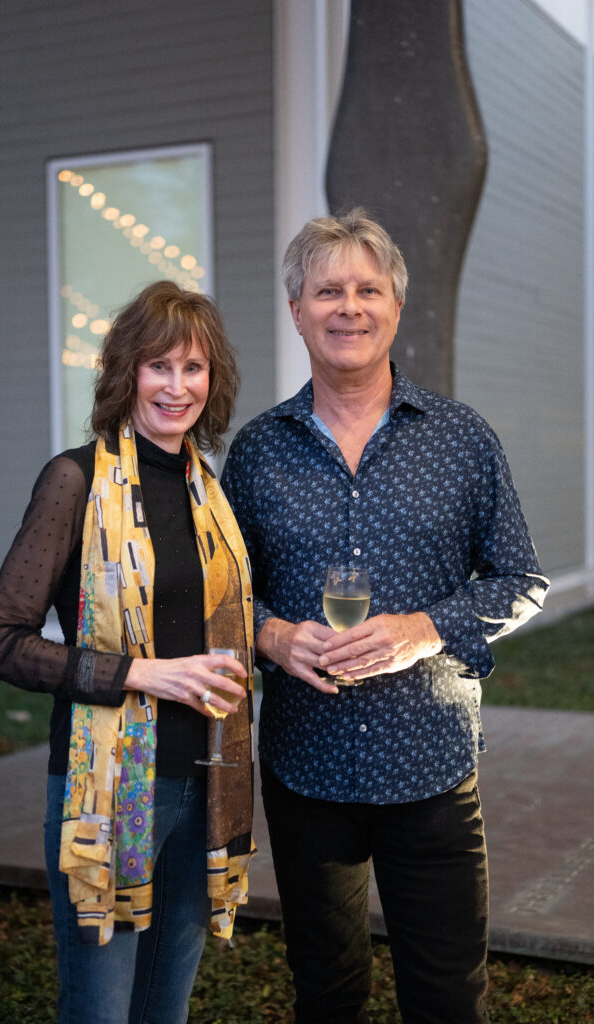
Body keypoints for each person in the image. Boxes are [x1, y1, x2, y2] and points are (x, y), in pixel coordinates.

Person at [222, 208, 549, 1024]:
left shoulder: (461, 439)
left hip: (431, 762)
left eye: (367, 288)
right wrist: (268, 633)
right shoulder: (258, 450)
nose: (349, 306)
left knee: (445, 998)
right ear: (296, 310)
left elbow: (519, 579)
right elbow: (218, 595)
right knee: (326, 994)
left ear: (395, 308)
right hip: (306, 769)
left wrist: (424, 628)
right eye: (327, 289)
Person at [0, 280, 255, 1024]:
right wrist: (140, 673)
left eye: (193, 368)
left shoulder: (209, 493)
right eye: (157, 366)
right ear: (124, 371)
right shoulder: (76, 479)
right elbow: (1, 642)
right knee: (101, 1010)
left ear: (212, 380)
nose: (176, 386)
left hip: (209, 784)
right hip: (118, 789)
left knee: (163, 1011)